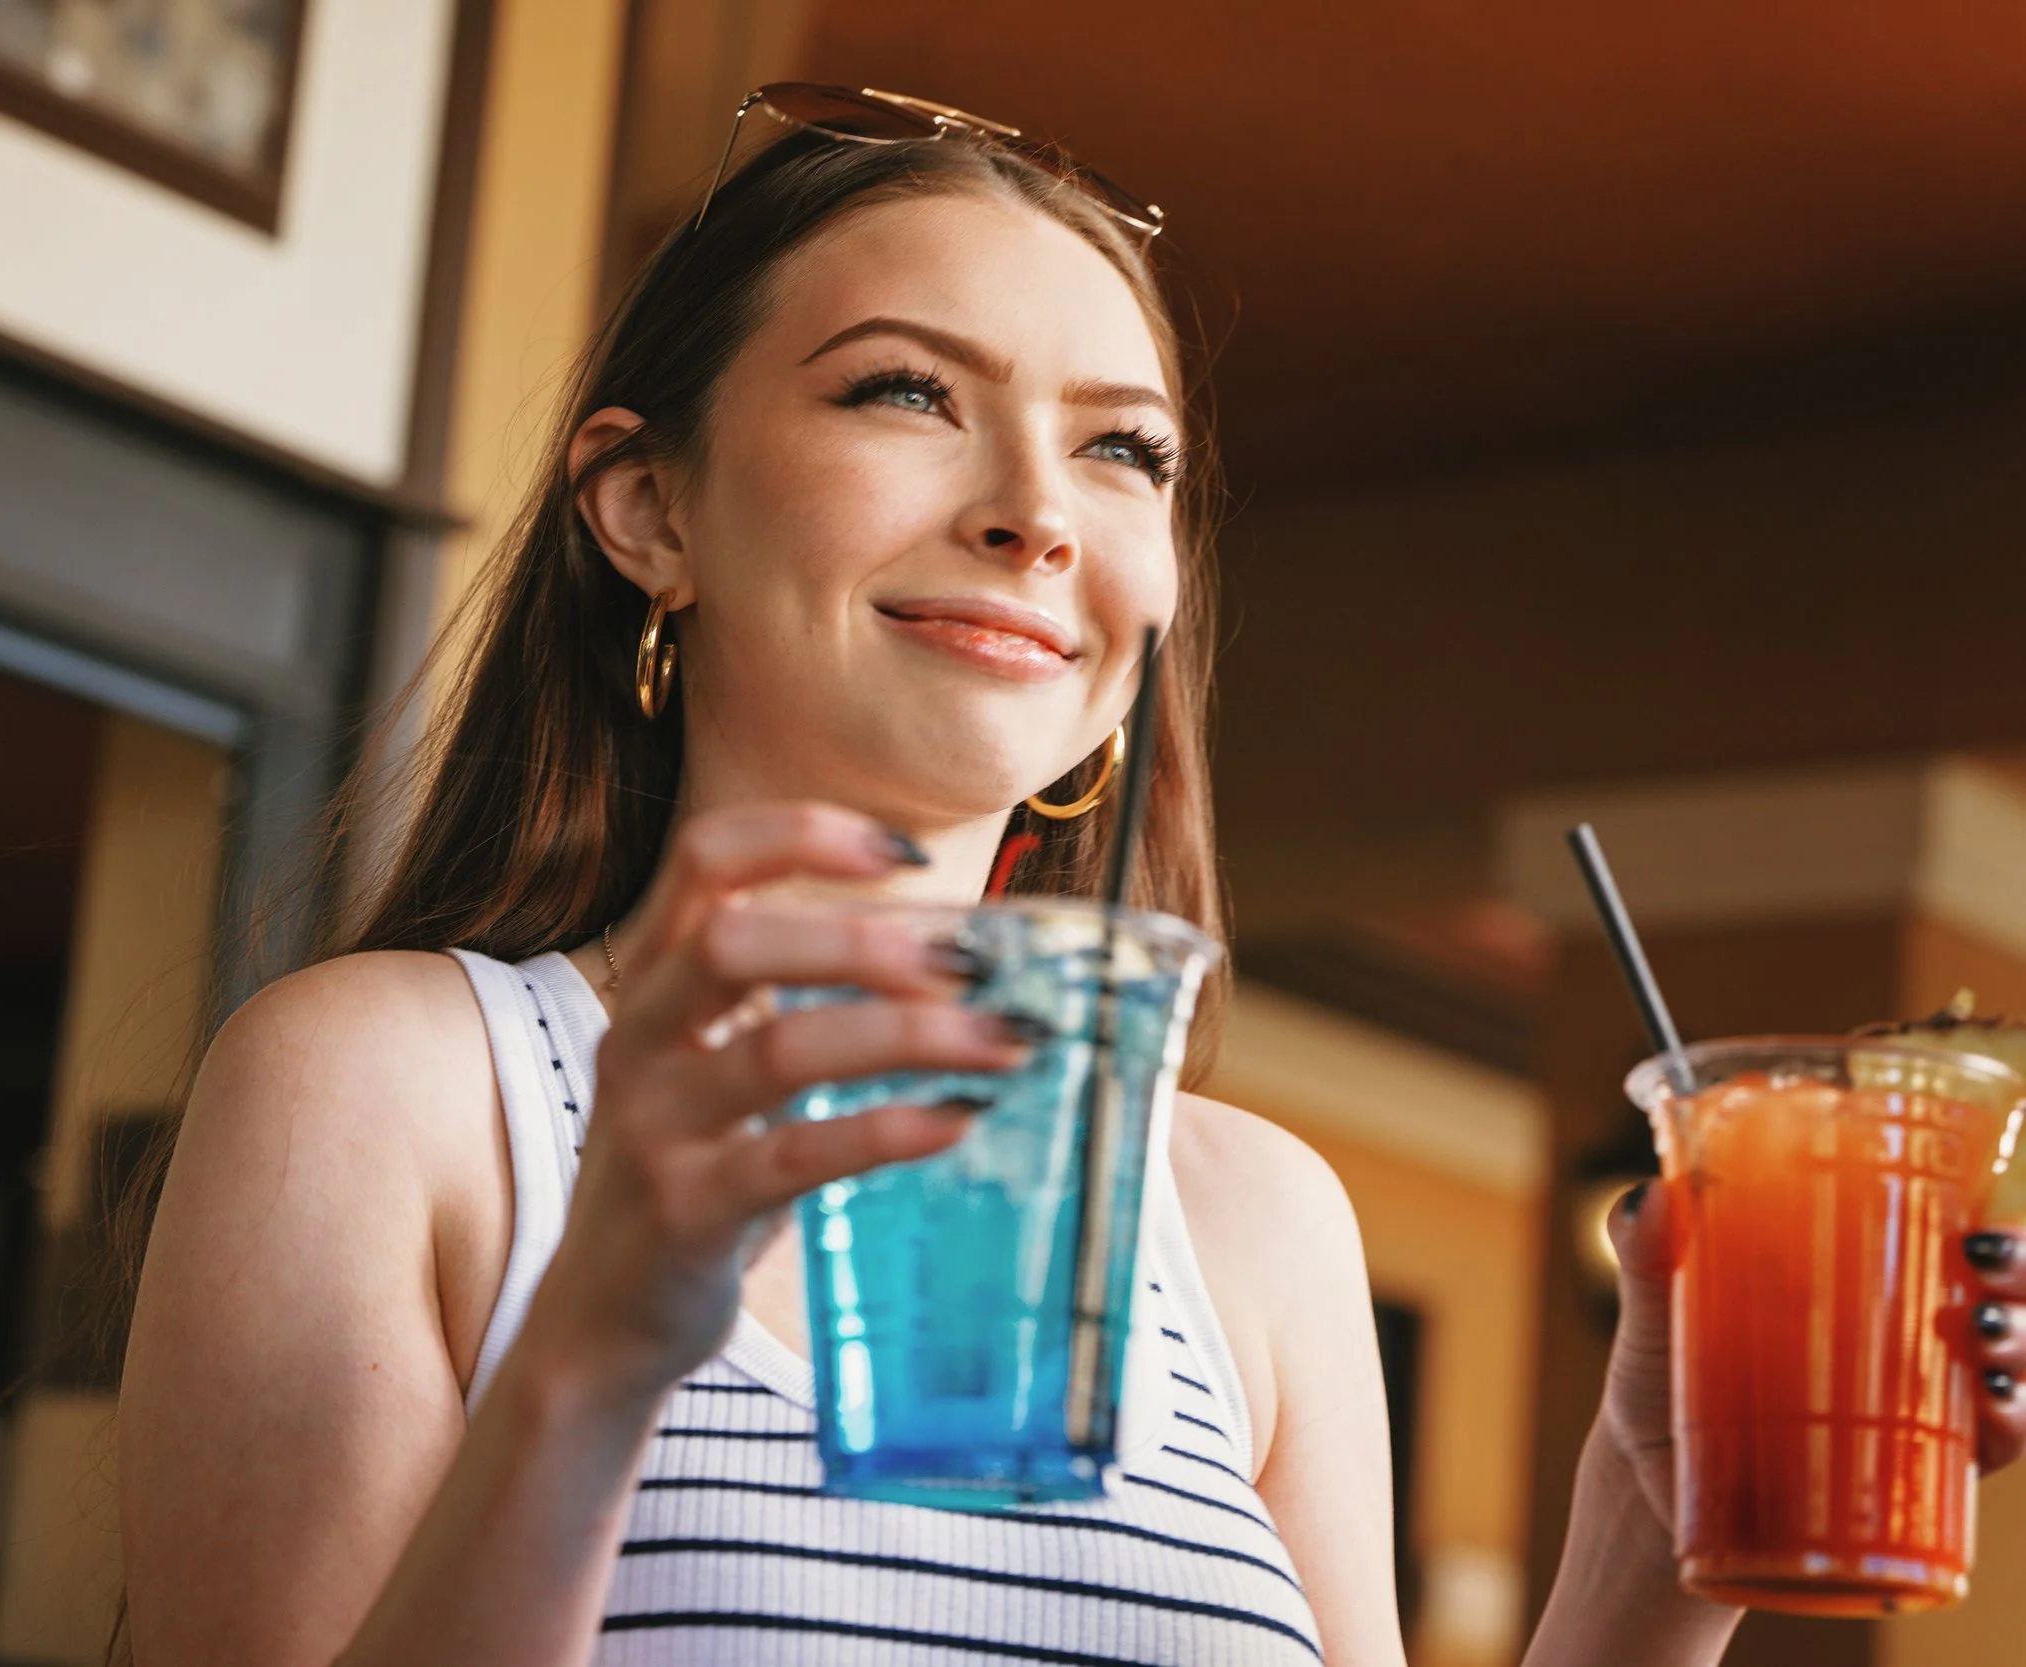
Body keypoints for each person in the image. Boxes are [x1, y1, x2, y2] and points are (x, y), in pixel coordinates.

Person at [114, 87, 2026, 1667]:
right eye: (904, 392)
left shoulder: (1259, 1218)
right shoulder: (392, 1082)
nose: (1038, 511)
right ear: (650, 506)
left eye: (1126, 448)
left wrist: (1650, 1537)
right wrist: (604, 1342)